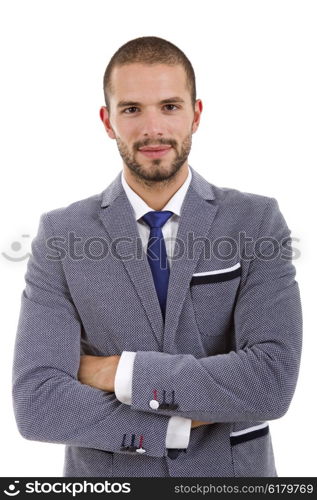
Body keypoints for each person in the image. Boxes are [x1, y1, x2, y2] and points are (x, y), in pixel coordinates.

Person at [12, 36, 302, 477]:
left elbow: (271, 380)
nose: (152, 129)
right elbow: (38, 402)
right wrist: (175, 428)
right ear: (108, 121)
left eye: (169, 106)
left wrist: (119, 372)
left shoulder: (256, 221)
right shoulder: (61, 235)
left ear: (195, 114)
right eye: (132, 109)